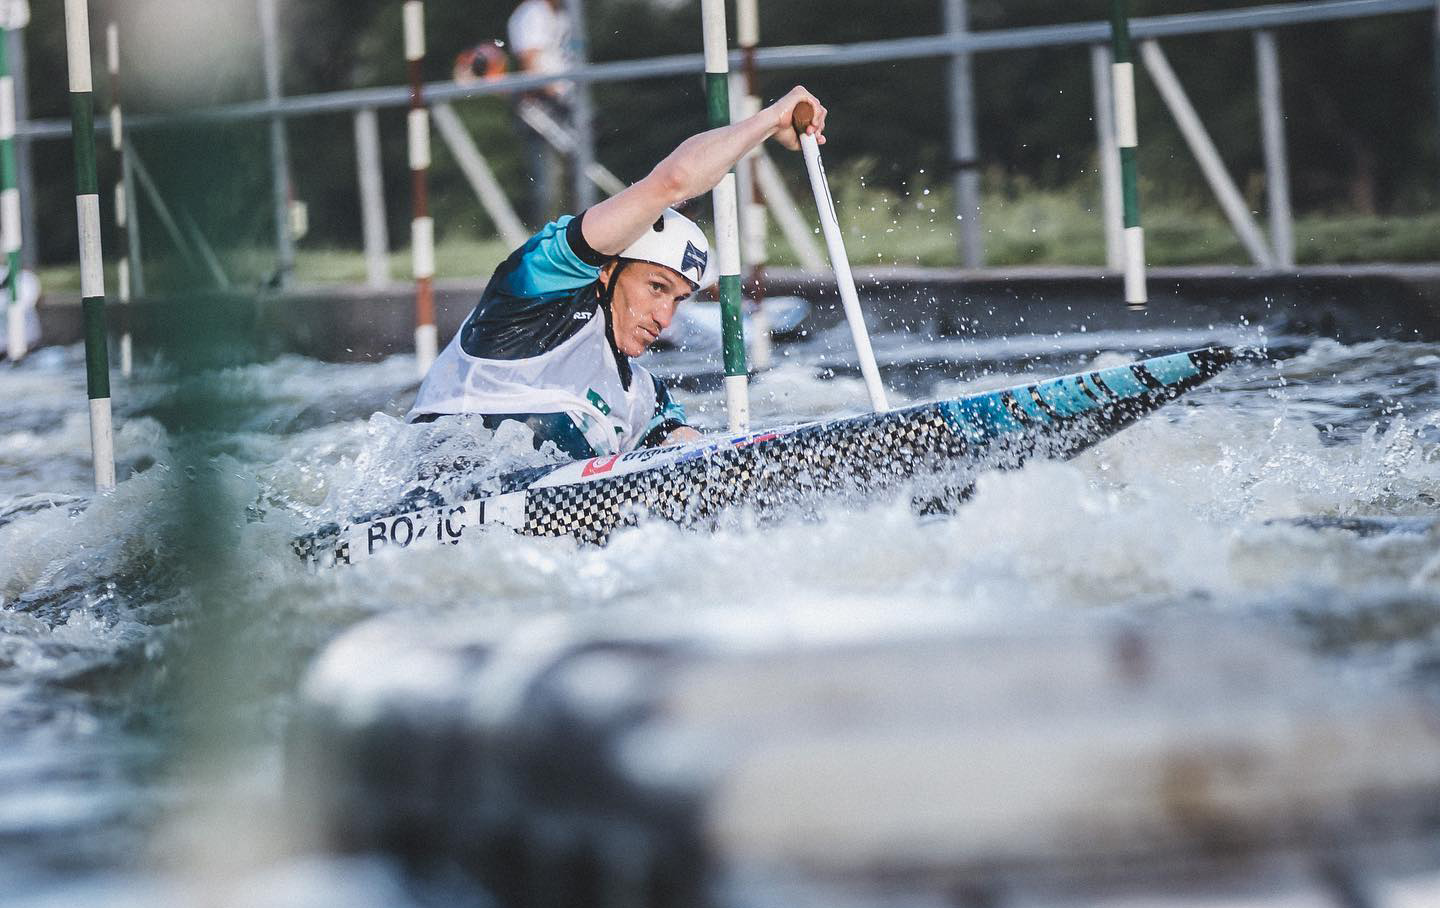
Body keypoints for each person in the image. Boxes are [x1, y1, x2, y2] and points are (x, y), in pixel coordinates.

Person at [406, 85, 829, 460]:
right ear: (607, 272)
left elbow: (690, 458)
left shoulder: (643, 397)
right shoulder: (534, 288)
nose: (665, 317)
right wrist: (772, 119)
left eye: (678, 299)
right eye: (656, 287)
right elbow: (672, 181)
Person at [507, 0, 573, 225]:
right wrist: (553, 91)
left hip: (565, 100)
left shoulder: (563, 13)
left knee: (573, 173)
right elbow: (529, 59)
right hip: (543, 103)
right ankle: (548, 233)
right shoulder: (532, 13)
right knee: (547, 178)